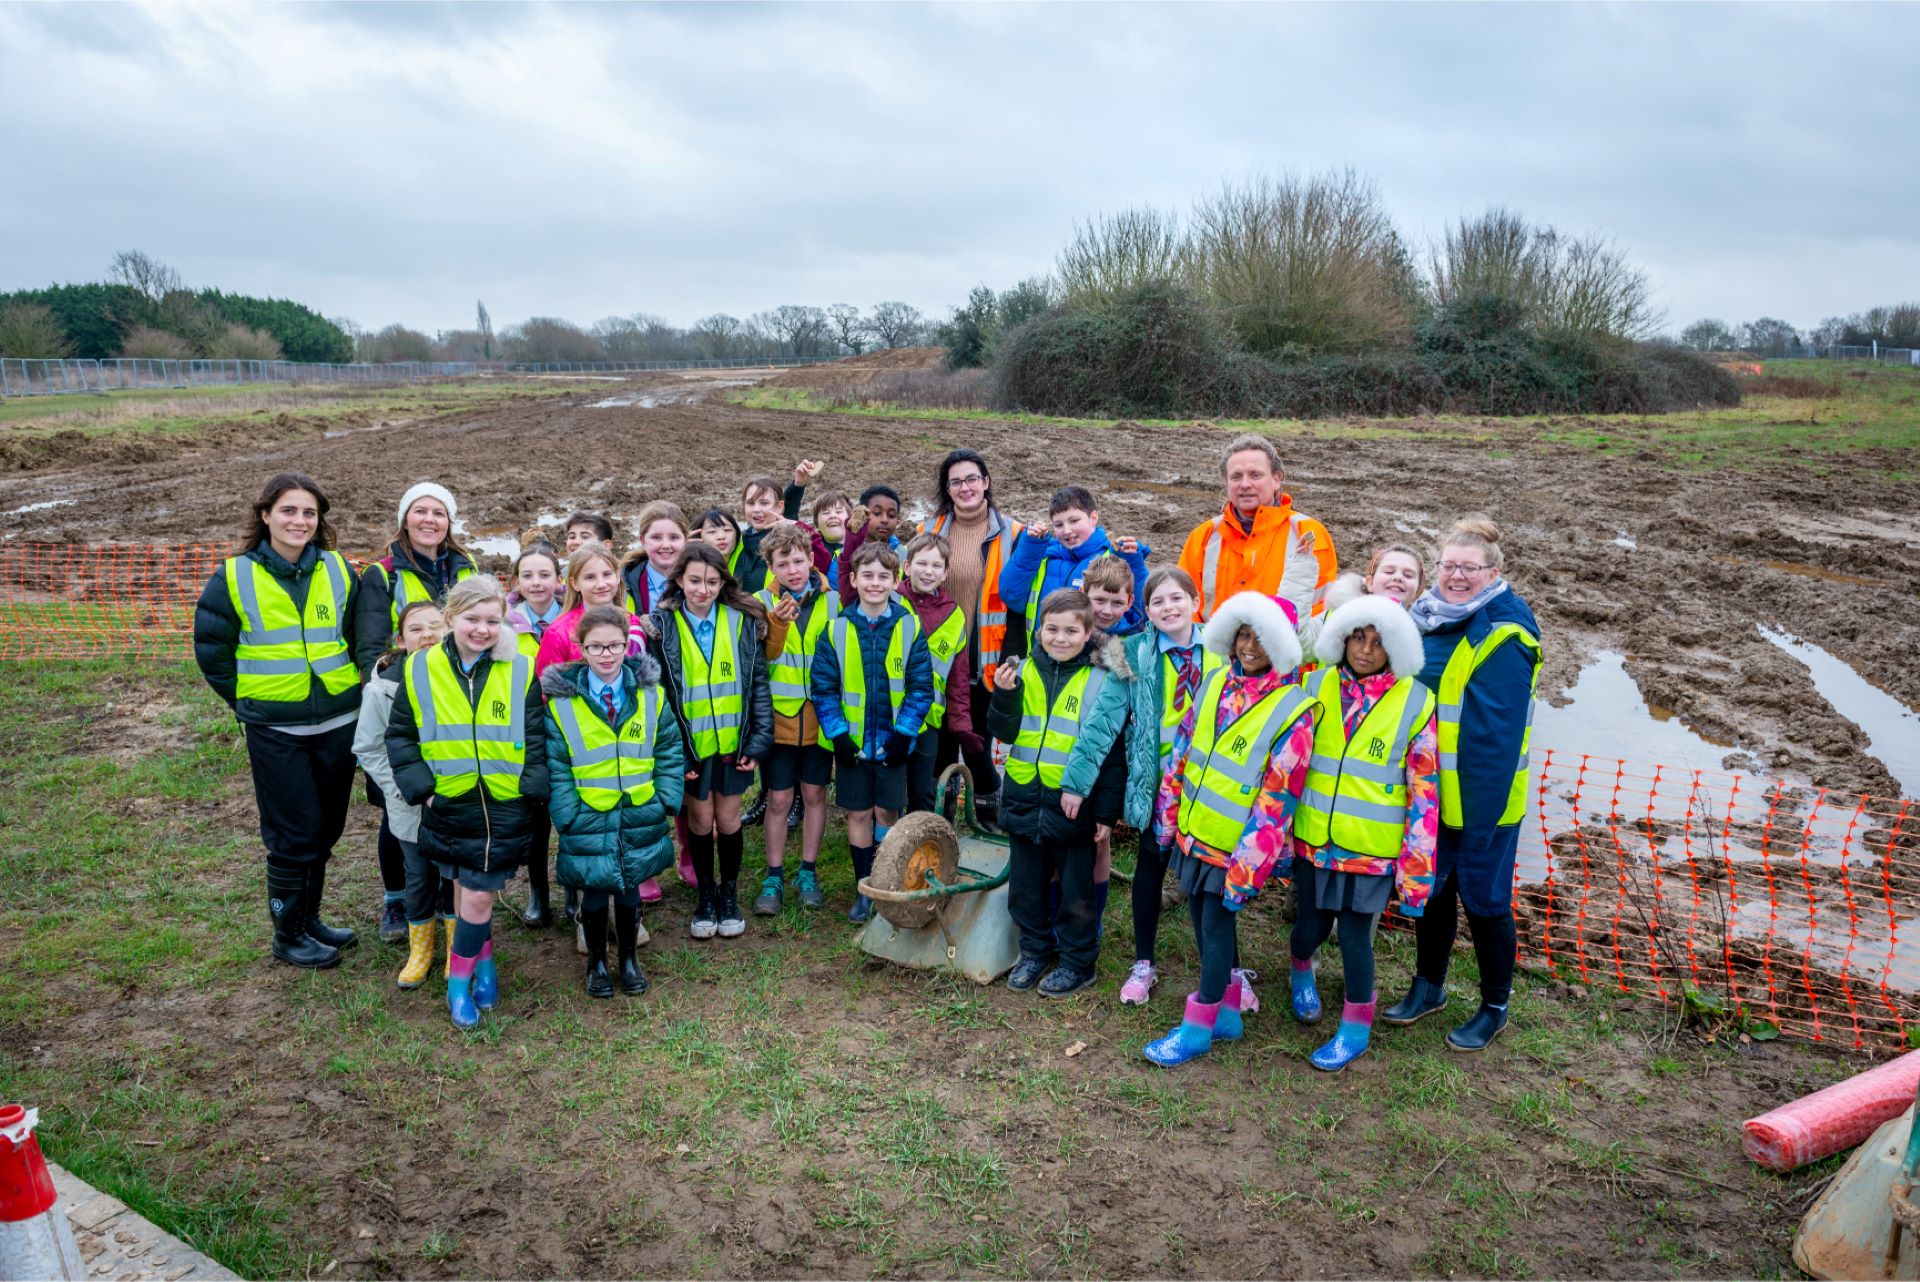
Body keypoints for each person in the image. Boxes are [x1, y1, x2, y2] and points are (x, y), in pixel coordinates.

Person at [193, 472, 363, 970]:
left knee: (327, 827)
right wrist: (251, 702)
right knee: (295, 832)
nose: (299, 521)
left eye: (309, 512)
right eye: (289, 510)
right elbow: (213, 651)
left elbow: (356, 635)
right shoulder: (235, 576)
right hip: (277, 731)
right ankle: (288, 934)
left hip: (337, 721)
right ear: (265, 515)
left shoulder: (338, 570)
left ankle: (310, 920)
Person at [1385, 516, 1542, 1052]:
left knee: (1486, 902)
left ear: (1493, 572)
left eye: (1468, 569)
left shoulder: (1505, 632)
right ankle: (1428, 986)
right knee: (1433, 893)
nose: (1456, 576)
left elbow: (1495, 735)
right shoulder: (1430, 617)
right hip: (1431, 793)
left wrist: (1474, 816)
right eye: (1449, 566)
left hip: (1483, 799)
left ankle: (1494, 1005)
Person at [1145, 591, 1315, 1065]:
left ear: (1281, 644)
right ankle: (1226, 1016)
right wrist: (1169, 814)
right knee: (1200, 920)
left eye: (1262, 637)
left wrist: (1248, 866)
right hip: (1196, 832)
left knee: (1217, 927)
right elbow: (1184, 750)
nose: (1250, 645)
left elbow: (1277, 800)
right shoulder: (1216, 681)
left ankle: (1199, 1026)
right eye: (1243, 633)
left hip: (1234, 849)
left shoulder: (1294, 710)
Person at [384, 575, 547, 1029]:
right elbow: (400, 736)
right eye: (471, 619)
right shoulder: (418, 668)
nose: (482, 629)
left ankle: (460, 982)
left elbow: (536, 734)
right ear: (450, 617)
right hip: (448, 803)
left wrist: (532, 788)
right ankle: (478, 969)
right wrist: (424, 790)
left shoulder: (520, 668)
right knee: (461, 886)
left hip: (502, 805)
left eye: (492, 620)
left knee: (477, 898)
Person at [1061, 567, 1224, 1006]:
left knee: (1209, 878)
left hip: (1211, 786)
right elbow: (1103, 723)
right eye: (1158, 602)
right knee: (1150, 870)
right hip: (1159, 786)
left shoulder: (1224, 649)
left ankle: (1222, 967)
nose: (1169, 608)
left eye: (1177, 598)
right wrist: (1077, 783)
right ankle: (1144, 961)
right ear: (1146, 611)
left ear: (1195, 600)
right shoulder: (1132, 654)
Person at [1289, 593, 1438, 1071]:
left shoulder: (1416, 701)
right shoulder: (1313, 686)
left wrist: (1416, 874)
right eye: (1357, 637)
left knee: (1355, 939)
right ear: (1342, 637)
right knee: (1308, 929)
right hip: (1313, 840)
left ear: (1395, 648)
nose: (1365, 650)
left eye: (1378, 642)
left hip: (1370, 851)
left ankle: (1355, 1028)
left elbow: (1425, 794)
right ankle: (1299, 970)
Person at [990, 588, 1128, 997]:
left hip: (1073, 808)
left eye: (1071, 630)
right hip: (1023, 797)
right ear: (1039, 630)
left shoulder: (1102, 681)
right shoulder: (1022, 671)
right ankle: (1034, 950)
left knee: (1075, 893)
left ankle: (1077, 962)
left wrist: (1105, 813)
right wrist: (1005, 695)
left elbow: (1110, 752)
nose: (1060, 638)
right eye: (1052, 629)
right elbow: (1003, 732)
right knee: (1026, 887)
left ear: (1088, 634)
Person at [354, 481, 477, 941]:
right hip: (401, 700)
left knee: (448, 803)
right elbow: (369, 648)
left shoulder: (467, 568)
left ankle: (452, 900)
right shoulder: (382, 574)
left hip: (453, 698)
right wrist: (390, 700)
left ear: (449, 522)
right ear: (405, 518)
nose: (430, 520)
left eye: (439, 513)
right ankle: (395, 900)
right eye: (420, 511)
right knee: (398, 807)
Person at [543, 605, 686, 998]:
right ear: (581, 649)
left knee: (629, 889)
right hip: (588, 815)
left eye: (615, 646)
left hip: (639, 811)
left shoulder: (650, 697)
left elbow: (669, 749)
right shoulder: (562, 705)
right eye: (596, 647)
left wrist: (667, 798)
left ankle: (628, 958)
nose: (606, 655)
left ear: (627, 645)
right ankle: (596, 963)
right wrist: (567, 814)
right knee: (593, 893)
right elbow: (556, 764)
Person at [640, 543, 773, 940]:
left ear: (723, 583)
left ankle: (728, 895)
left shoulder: (742, 622)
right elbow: (659, 696)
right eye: (695, 580)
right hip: (692, 748)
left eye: (712, 582)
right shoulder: (661, 628)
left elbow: (757, 685)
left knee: (729, 819)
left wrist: (758, 740)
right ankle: (706, 896)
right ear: (680, 579)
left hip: (732, 745)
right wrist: (674, 753)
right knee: (699, 820)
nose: (703, 589)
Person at [811, 541, 935, 923]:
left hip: (892, 745)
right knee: (858, 813)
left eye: (884, 576)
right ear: (853, 579)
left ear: (896, 581)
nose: (875, 583)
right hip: (853, 747)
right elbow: (823, 688)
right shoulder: (836, 629)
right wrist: (838, 735)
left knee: (887, 811)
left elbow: (920, 687)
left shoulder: (910, 626)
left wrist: (904, 734)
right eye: (867, 575)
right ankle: (864, 888)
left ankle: (888, 884)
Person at [921, 449, 1024, 828]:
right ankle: (939, 820)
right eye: (956, 481)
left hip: (987, 661)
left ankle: (988, 813)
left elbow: (1019, 604)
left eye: (971, 479)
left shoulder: (1015, 534)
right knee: (941, 742)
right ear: (947, 489)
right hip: (937, 660)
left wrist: (1011, 661)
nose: (965, 487)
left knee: (977, 740)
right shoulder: (927, 532)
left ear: (986, 483)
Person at [353, 600, 451, 988]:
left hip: (453, 799)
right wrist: (404, 788)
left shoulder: (461, 678)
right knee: (418, 874)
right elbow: (368, 747)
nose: (427, 634)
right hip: (408, 804)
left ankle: (458, 948)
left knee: (452, 874)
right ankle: (421, 950)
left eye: (435, 625)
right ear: (401, 639)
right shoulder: (382, 691)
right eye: (416, 628)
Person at [752, 522, 840, 915]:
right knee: (779, 798)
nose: (792, 569)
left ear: (811, 560)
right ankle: (773, 875)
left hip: (822, 719)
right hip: (780, 722)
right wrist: (777, 625)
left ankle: (808, 870)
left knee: (815, 794)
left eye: (799, 560)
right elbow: (761, 659)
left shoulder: (834, 601)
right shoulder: (759, 602)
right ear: (770, 566)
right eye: (782, 563)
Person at [1176, 434, 1338, 623]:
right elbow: (1183, 603)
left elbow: (1323, 606)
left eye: (1255, 475)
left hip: (1286, 649)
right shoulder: (1203, 536)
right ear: (1226, 483)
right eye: (1236, 476)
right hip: (1214, 650)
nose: (1245, 484)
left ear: (1277, 479)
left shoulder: (1309, 533)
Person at [996, 485, 1149, 658]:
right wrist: (1030, 549)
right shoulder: (1045, 556)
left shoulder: (1112, 557)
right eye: (1059, 524)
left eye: (1074, 521)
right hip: (1043, 658)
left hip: (1091, 664)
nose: (1067, 530)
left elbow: (1143, 611)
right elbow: (1011, 596)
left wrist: (1134, 563)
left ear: (1093, 518)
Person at [504, 542, 566, 927]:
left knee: (573, 814)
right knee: (536, 816)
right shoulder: (504, 626)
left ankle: (575, 889)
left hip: (569, 731)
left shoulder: (575, 620)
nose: (537, 582)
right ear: (516, 581)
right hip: (526, 733)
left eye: (545, 574)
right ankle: (538, 892)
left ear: (559, 580)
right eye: (528, 575)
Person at [897, 532, 975, 815]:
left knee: (922, 789)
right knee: (892, 787)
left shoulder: (954, 615)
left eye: (936, 566)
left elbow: (958, 678)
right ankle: (885, 845)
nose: (928, 572)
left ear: (946, 573)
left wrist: (961, 724)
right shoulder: (891, 601)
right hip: (889, 713)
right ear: (907, 566)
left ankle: (920, 845)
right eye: (921, 563)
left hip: (928, 717)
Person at [535, 543, 646, 677]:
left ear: (617, 576)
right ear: (574, 583)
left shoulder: (635, 625)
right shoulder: (558, 634)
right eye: (590, 577)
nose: (601, 584)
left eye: (607, 574)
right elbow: (545, 689)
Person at [1300, 542, 1426, 656]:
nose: (1398, 577)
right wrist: (1298, 575)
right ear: (1370, 583)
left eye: (1408, 575)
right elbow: (1300, 644)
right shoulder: (1339, 615)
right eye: (1389, 572)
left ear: (1417, 591)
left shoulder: (1426, 632)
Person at [620, 501, 689, 616]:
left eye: (674, 537)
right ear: (642, 540)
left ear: (685, 540)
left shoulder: (700, 581)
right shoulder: (622, 584)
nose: (666, 545)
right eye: (656, 537)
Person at [694, 507, 772, 597]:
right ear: (699, 537)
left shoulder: (751, 551)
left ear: (737, 534)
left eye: (727, 530)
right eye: (712, 531)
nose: (721, 536)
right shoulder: (691, 565)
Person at [1081, 555, 1145, 639]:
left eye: (1118, 603)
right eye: (1100, 600)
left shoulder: (1137, 643)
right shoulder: (1065, 633)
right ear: (1083, 595)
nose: (1107, 611)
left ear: (1129, 602)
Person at [806, 490, 854, 587]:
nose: (833, 516)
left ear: (850, 520)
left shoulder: (863, 549)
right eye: (826, 512)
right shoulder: (810, 552)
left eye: (839, 511)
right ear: (816, 524)